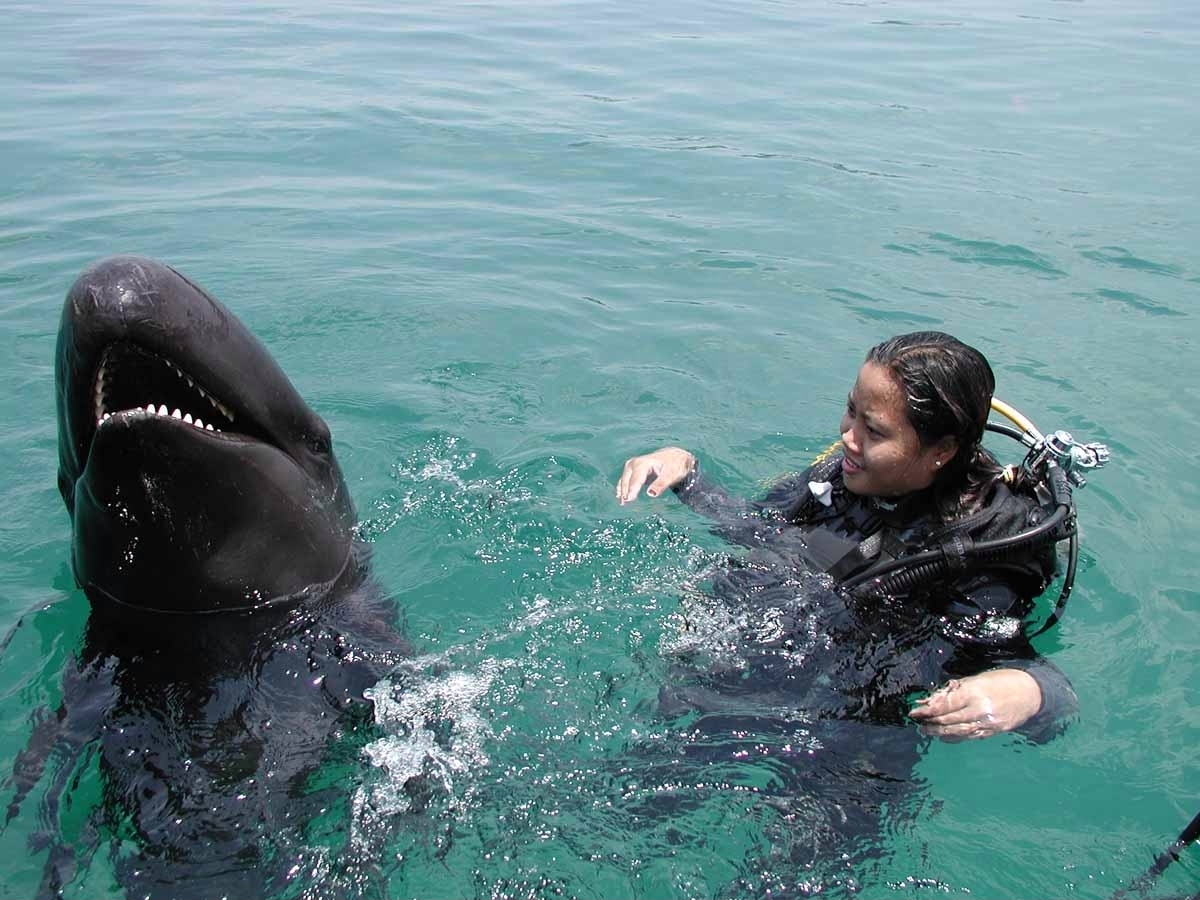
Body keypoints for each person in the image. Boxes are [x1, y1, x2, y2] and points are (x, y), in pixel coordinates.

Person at [616, 331, 1076, 741]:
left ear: (942, 451)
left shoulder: (978, 545)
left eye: (873, 430)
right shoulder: (846, 478)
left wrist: (1029, 693)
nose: (848, 438)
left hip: (848, 731)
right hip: (748, 671)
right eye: (851, 411)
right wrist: (687, 476)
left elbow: (1024, 671)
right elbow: (761, 528)